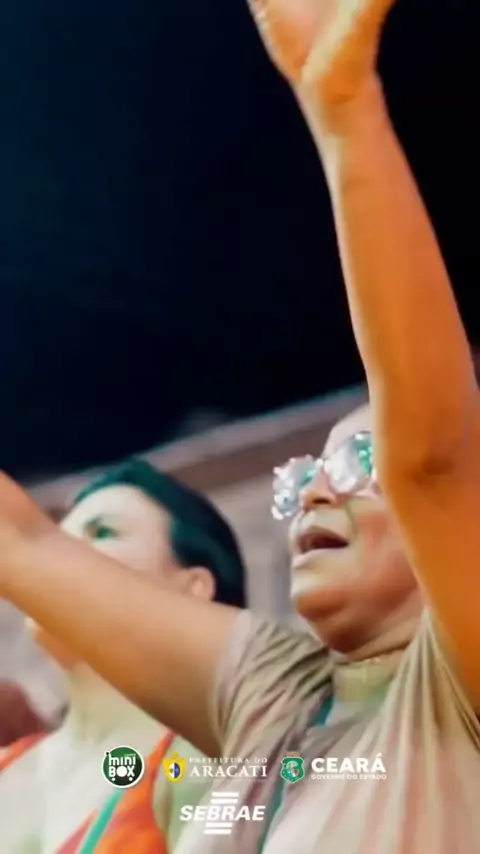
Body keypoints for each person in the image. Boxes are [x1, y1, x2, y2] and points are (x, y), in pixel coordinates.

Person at [0, 0, 479, 850]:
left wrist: (346, 115)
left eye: (360, 462)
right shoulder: (272, 699)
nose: (317, 494)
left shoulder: (450, 689)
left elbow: (435, 456)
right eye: (305, 478)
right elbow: (22, 543)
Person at [0, 460, 246, 853]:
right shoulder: (8, 764)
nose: (57, 557)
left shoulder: (221, 769)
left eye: (101, 532)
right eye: (59, 540)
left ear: (193, 589)